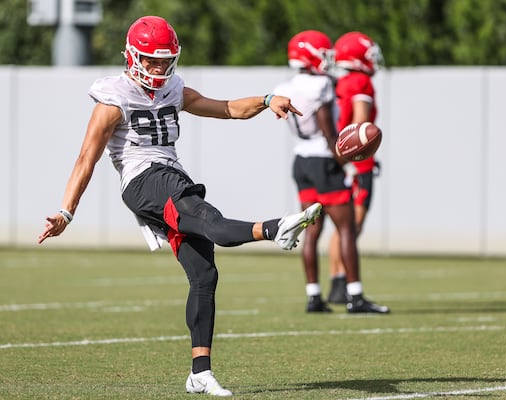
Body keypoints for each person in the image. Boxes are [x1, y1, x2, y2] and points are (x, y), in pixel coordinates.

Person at [37, 16, 322, 397]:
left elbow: (227, 109)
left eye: (164, 60)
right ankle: (275, 228)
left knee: (204, 274)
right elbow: (86, 158)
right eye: (151, 61)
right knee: (212, 222)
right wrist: (66, 211)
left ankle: (199, 372)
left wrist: (267, 99)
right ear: (132, 57)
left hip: (173, 177)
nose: (159, 68)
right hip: (144, 180)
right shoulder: (113, 98)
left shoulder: (173, 89)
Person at [273, 30, 386, 314]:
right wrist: (341, 157)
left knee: (311, 229)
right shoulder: (321, 85)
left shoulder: (284, 86)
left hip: (300, 159)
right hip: (324, 159)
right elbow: (327, 127)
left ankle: (313, 296)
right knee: (346, 228)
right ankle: (355, 296)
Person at [326, 31, 388, 314]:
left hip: (340, 161)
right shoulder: (361, 81)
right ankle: (344, 286)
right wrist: (359, 156)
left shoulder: (340, 81)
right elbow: (361, 126)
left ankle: (338, 282)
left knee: (342, 227)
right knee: (352, 227)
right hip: (358, 164)